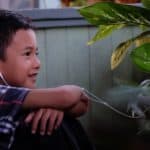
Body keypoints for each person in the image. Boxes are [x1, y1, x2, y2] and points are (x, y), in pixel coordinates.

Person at [0, 9, 95, 150]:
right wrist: (60, 102)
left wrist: (55, 107)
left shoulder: (21, 97)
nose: (37, 63)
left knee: (52, 120)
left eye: (36, 53)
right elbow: (66, 96)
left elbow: (81, 105)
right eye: (27, 54)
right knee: (44, 126)